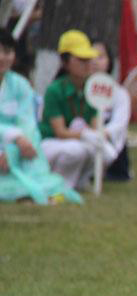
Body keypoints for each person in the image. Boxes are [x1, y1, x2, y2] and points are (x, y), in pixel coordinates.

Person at [0, 28, 81, 204]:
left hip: (19, 149)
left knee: (43, 182)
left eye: (7, 52)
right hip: (9, 146)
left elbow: (28, 122)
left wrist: (17, 146)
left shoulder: (20, 84)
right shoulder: (55, 89)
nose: (2, 58)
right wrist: (12, 138)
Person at [39, 30, 109, 190]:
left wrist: (96, 133)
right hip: (50, 144)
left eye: (88, 59)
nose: (87, 64)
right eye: (80, 59)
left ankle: (80, 182)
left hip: (75, 141)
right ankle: (60, 184)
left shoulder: (91, 89)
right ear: (65, 62)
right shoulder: (55, 90)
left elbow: (95, 124)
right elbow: (60, 132)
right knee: (76, 150)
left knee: (100, 150)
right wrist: (85, 134)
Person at [90, 41, 132, 181]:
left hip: (108, 138)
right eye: (91, 56)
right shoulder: (77, 89)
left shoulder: (119, 92)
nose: (95, 61)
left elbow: (120, 122)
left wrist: (104, 133)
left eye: (101, 57)